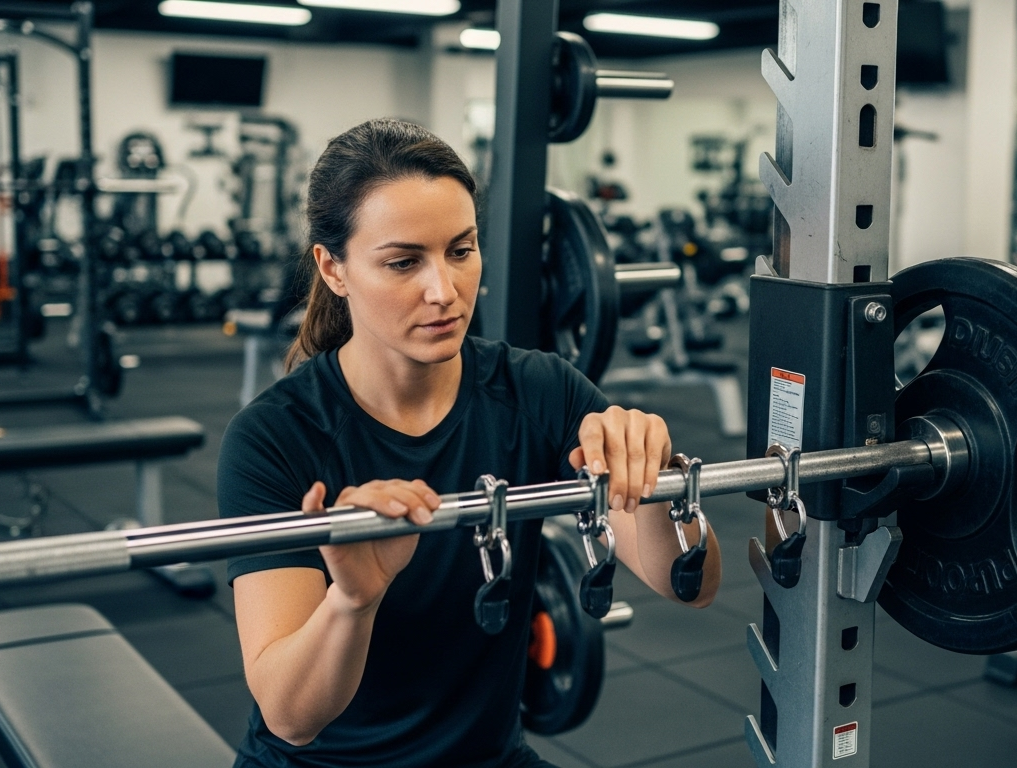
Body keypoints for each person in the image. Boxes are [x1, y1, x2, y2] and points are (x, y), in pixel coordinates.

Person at [217, 118, 721, 768]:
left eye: (461, 250)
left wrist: (655, 476)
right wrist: (352, 600)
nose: (445, 291)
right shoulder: (275, 438)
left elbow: (691, 585)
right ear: (333, 268)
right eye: (403, 262)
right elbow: (292, 718)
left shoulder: (538, 391)